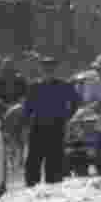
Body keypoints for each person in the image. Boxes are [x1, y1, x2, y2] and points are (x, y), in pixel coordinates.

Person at [22, 56, 81, 187]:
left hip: (56, 126)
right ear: (41, 70)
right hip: (38, 126)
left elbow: (76, 102)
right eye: (45, 68)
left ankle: (53, 187)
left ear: (55, 70)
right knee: (34, 160)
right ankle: (32, 186)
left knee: (54, 160)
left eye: (51, 68)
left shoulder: (63, 86)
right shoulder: (34, 87)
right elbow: (27, 109)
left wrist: (67, 116)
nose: (48, 71)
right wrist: (26, 125)